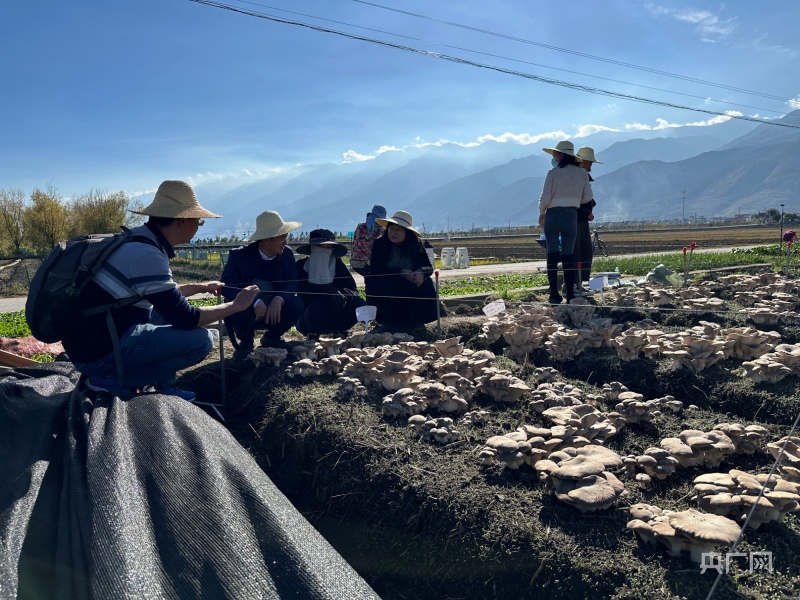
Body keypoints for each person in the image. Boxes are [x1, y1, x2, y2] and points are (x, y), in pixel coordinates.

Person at [62, 180, 260, 399]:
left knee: (162, 314)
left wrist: (200, 287)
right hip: (99, 351)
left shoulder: (138, 240)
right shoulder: (148, 254)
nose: (198, 226)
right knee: (201, 341)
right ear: (182, 221)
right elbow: (186, 318)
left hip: (91, 339)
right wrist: (236, 305)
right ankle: (113, 380)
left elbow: (163, 295)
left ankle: (164, 384)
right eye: (199, 221)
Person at [221, 210, 304, 360]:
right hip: (248, 309)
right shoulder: (239, 256)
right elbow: (227, 287)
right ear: (266, 240)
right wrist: (254, 301)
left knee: (296, 303)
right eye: (282, 238)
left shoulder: (287, 255)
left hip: (274, 307)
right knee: (236, 308)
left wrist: (280, 298)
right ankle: (246, 342)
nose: (286, 242)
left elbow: (292, 283)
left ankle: (272, 337)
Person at [538, 140, 592, 304]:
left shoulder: (552, 173)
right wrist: (574, 199)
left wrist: (542, 213)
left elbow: (545, 198)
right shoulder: (582, 174)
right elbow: (588, 197)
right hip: (571, 215)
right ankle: (570, 296)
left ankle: (554, 294)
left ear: (561, 155)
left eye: (555, 155)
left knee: (552, 255)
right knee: (569, 256)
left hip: (553, 215)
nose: (554, 157)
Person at [365, 210, 439, 330]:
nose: (394, 232)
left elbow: (428, 266)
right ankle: (387, 321)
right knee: (385, 286)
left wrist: (420, 272)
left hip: (410, 282)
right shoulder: (380, 244)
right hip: (386, 280)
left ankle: (415, 320)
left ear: (407, 232)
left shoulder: (416, 245)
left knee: (427, 285)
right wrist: (400, 272)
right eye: (391, 228)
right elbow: (376, 270)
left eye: (399, 229)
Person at [295, 228, 365, 336]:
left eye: (328, 248)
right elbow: (302, 293)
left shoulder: (337, 265)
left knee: (358, 303)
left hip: (336, 313)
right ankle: (313, 335)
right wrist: (326, 291)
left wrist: (341, 294)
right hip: (308, 316)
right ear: (312, 248)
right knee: (319, 306)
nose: (324, 251)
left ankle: (339, 330)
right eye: (320, 247)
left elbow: (352, 288)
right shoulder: (301, 267)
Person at [575, 146, 601, 294]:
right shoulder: (575, 177)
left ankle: (579, 283)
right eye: (586, 163)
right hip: (576, 219)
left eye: (590, 164)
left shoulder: (583, 177)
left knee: (585, 251)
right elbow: (574, 200)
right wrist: (586, 212)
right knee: (576, 252)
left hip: (582, 220)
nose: (588, 167)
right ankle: (573, 285)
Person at [349, 204, 387, 276]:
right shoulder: (379, 228)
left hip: (354, 260)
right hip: (366, 262)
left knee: (368, 278)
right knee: (373, 279)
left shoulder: (360, 225)